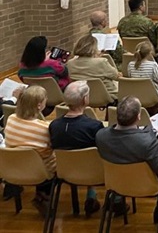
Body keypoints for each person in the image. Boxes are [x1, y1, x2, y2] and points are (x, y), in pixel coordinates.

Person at [48, 81, 106, 216]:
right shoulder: (94, 126)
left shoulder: (54, 126)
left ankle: (92, 195)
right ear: (85, 99)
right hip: (95, 172)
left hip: (65, 172)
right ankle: (115, 201)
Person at [4, 85, 56, 215]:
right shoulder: (45, 128)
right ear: (39, 105)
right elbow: (49, 150)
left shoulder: (10, 120)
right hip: (40, 172)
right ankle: (43, 195)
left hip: (13, 169)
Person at [66, 34, 120, 101]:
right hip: (106, 96)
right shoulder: (101, 62)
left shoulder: (70, 63)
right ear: (94, 48)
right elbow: (116, 76)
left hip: (81, 96)